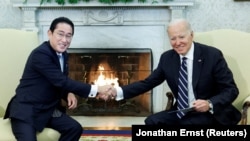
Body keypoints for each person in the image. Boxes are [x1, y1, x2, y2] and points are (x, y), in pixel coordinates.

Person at [109, 18, 241, 125]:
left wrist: (209, 104)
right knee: (151, 122)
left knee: (186, 125)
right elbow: (147, 83)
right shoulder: (167, 58)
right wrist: (118, 91)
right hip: (183, 111)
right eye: (173, 39)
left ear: (191, 35)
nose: (177, 43)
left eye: (181, 37)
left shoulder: (212, 55)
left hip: (211, 113)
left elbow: (231, 90)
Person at [3, 17, 112, 141]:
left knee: (74, 128)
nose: (64, 40)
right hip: (26, 110)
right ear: (50, 33)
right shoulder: (41, 54)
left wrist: (68, 93)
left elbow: (58, 80)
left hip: (48, 110)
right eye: (60, 34)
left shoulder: (63, 54)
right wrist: (97, 89)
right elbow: (61, 81)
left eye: (69, 36)